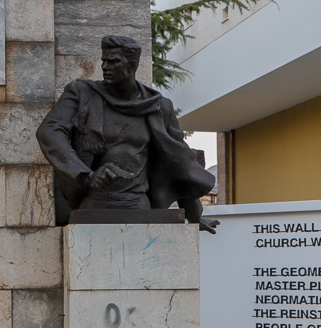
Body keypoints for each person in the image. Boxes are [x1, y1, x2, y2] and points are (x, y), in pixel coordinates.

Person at [36, 34, 220, 231]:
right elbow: (49, 131)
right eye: (104, 61)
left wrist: (193, 218)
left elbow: (181, 160)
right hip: (93, 204)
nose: (105, 67)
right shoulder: (82, 94)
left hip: (139, 205)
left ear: (132, 66)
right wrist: (85, 175)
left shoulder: (158, 107)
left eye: (113, 61)